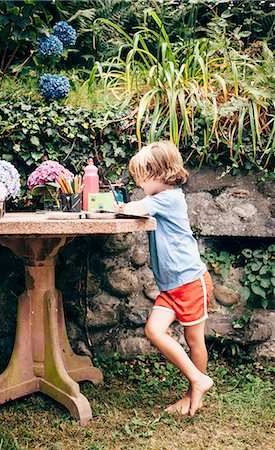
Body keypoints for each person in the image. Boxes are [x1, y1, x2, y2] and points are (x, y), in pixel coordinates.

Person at [114, 141, 213, 417]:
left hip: (191, 282)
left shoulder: (168, 198)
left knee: (194, 340)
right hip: (172, 287)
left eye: (141, 177)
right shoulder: (159, 200)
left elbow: (138, 208)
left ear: (159, 174)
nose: (138, 183)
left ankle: (194, 394)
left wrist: (119, 206)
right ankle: (198, 380)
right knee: (154, 330)